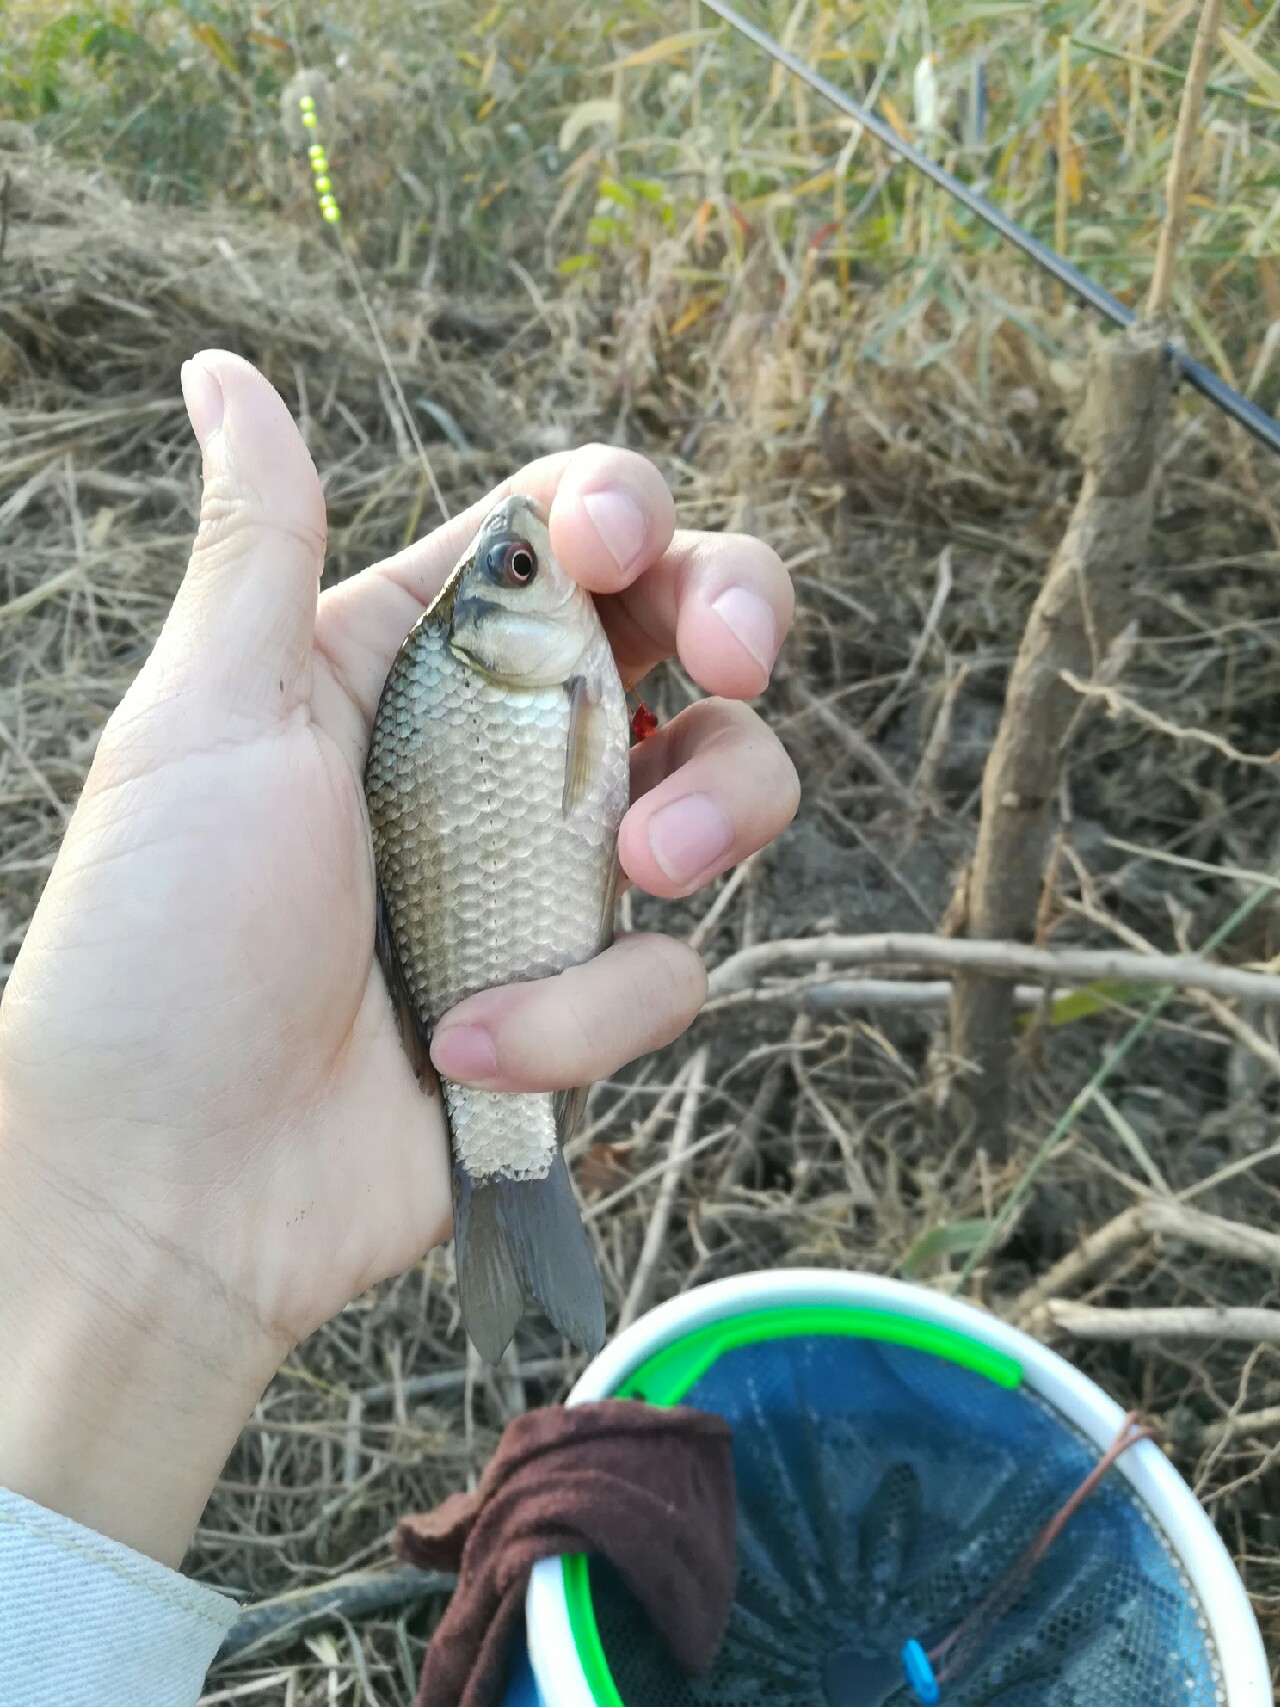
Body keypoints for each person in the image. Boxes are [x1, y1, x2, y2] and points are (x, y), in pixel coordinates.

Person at [0, 351, 799, 1704]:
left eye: (516, 570)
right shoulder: (521, 681)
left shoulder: (545, 679)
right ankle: (512, 1177)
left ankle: (509, 1182)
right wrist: (125, 1208)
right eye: (515, 574)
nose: (535, 561)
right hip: (461, 1019)